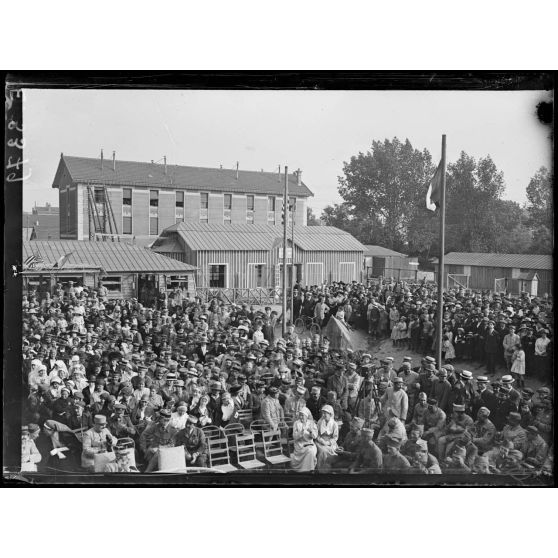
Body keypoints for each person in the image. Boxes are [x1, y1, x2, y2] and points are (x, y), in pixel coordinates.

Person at [291, 407, 318, 471]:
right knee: (309, 451)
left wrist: (311, 431)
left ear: (306, 416)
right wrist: (301, 433)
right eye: (300, 415)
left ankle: (310, 470)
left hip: (310, 444)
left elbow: (315, 436)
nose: (300, 417)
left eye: (302, 415)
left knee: (311, 451)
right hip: (300, 444)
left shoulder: (311, 423)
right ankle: (304, 470)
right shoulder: (296, 423)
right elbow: (294, 437)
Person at [315, 405, 339, 472]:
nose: (323, 414)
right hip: (320, 441)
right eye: (323, 413)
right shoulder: (320, 422)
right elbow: (316, 434)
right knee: (323, 451)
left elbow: (335, 437)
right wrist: (321, 440)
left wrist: (328, 442)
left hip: (330, 442)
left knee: (331, 451)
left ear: (330, 414)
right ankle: (321, 470)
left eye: (325, 413)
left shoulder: (334, 424)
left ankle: (329, 469)